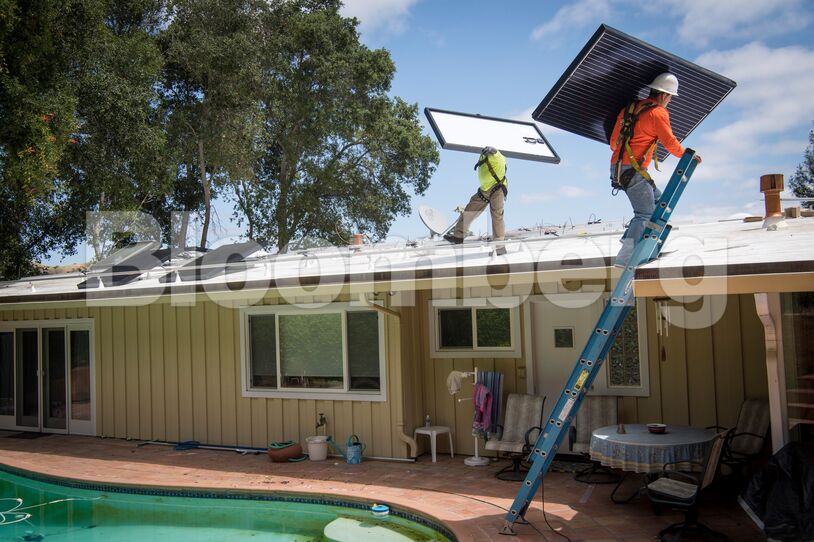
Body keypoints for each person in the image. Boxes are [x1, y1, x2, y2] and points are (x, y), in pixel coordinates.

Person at [609, 72, 702, 267]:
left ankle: (635, 243)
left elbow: (613, 143)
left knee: (659, 202)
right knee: (644, 213)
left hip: (619, 167)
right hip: (633, 171)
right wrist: (688, 156)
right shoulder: (658, 112)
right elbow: (670, 142)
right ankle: (625, 257)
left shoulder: (631, 108)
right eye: (670, 98)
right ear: (665, 95)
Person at [444, 146, 508, 253]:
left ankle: (499, 247)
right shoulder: (483, 154)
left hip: (497, 188)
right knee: (469, 210)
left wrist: (494, 151)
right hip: (484, 189)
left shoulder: (497, 156)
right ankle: (458, 237)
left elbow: (501, 158)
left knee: (496, 215)